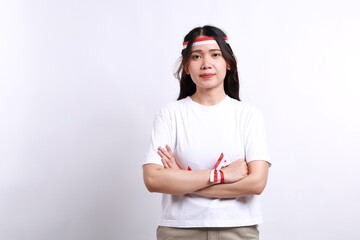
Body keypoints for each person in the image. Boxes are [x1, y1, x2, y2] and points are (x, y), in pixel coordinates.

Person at [142, 25, 271, 240]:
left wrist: (182, 180)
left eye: (215, 54)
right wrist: (222, 176)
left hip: (237, 228)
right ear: (186, 66)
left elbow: (256, 184)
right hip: (178, 229)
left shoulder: (249, 115)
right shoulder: (169, 114)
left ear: (228, 62)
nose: (206, 64)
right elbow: (153, 180)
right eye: (196, 56)